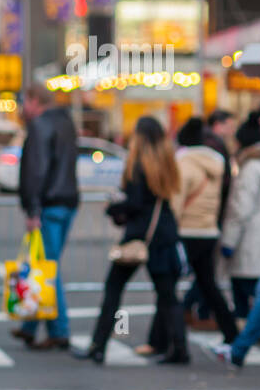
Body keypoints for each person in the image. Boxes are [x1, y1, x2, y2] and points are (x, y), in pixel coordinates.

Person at [75, 116, 187, 364]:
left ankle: (99, 344)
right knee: (168, 295)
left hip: (139, 237)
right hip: (163, 234)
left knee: (113, 288)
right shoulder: (166, 163)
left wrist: (113, 208)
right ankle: (180, 348)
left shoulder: (138, 165)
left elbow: (134, 203)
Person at [14, 85, 79, 350]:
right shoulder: (66, 123)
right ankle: (30, 324)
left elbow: (36, 171)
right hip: (67, 200)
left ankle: (59, 331)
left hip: (49, 204)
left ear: (34, 100)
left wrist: (32, 209)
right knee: (42, 265)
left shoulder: (40, 126)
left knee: (47, 269)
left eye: (25, 101)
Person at [174, 117, 238, 345]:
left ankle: (168, 340)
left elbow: (176, 201)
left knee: (167, 288)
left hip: (187, 230)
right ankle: (230, 331)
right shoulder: (216, 164)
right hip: (209, 230)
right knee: (209, 285)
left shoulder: (184, 164)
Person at [220, 116, 260, 319]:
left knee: (244, 292)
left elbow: (240, 209)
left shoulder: (249, 168)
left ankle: (244, 332)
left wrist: (228, 241)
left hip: (248, 239)